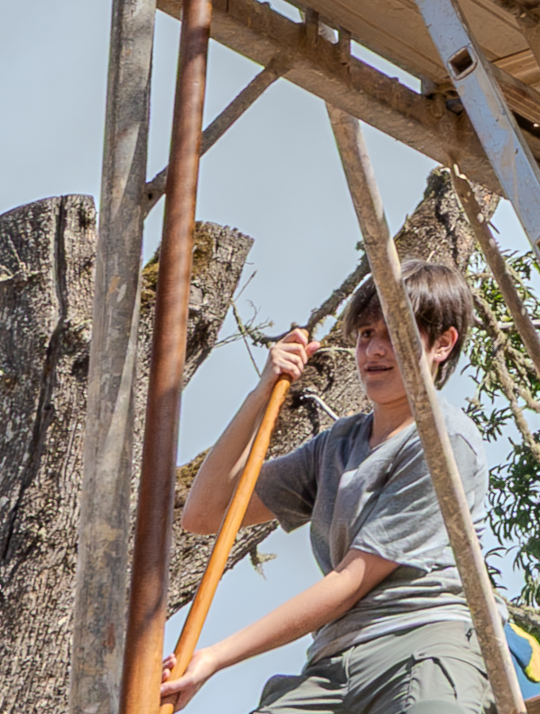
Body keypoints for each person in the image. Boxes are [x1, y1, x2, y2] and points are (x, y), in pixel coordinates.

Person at [162, 260, 492, 714]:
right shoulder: (337, 446)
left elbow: (351, 580)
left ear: (443, 343)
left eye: (394, 333)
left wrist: (216, 657)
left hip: (420, 644)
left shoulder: (443, 441)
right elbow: (204, 513)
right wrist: (261, 393)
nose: (374, 350)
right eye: (366, 334)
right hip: (332, 665)